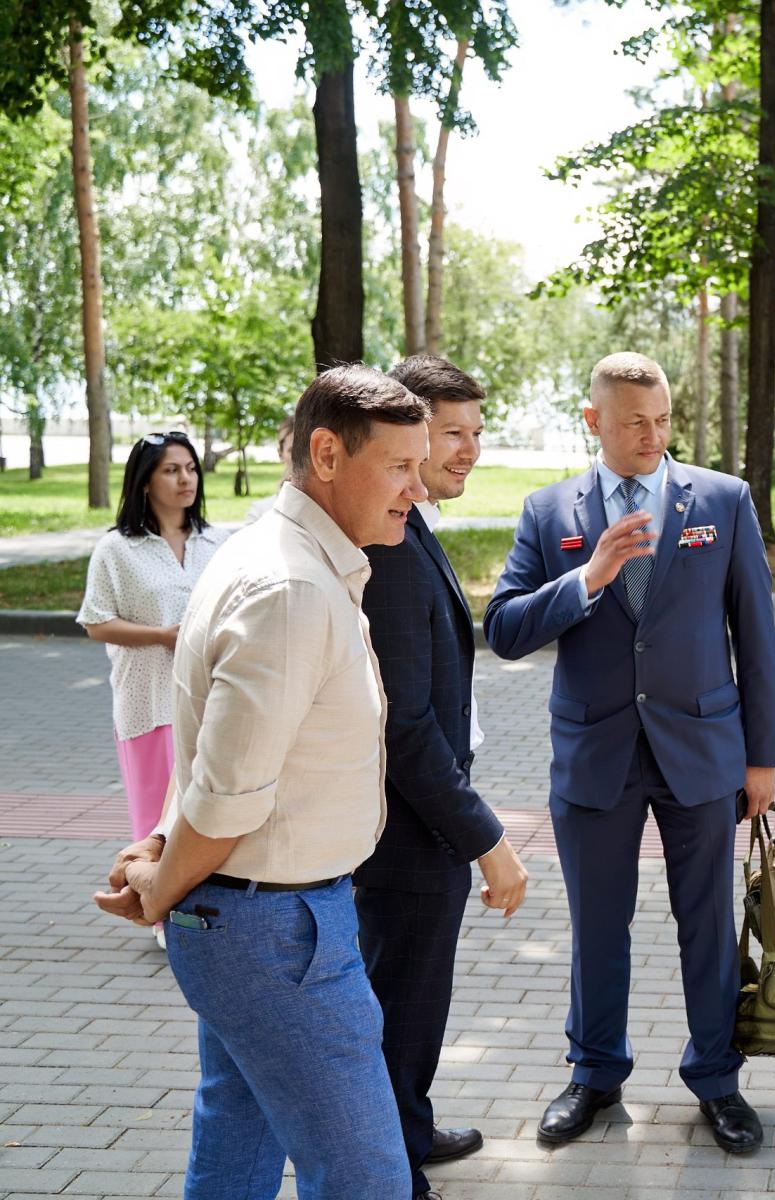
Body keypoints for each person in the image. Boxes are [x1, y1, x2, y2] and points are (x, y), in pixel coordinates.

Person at [92, 364, 430, 1199]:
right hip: (278, 934)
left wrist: (165, 854)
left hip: (264, 924)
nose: (418, 491)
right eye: (399, 467)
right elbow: (229, 794)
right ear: (325, 453)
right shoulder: (290, 588)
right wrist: (160, 885)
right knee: (368, 1180)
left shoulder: (276, 556)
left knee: (235, 1162)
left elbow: (213, 749)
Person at [484, 352, 775, 1155]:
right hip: (595, 757)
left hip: (703, 750)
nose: (651, 436)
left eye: (661, 419)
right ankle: (594, 1074)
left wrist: (764, 759)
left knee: (709, 926)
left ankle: (718, 1082)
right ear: (594, 423)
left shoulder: (722, 500)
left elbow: (755, 637)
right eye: (632, 423)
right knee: (597, 926)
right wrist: (587, 577)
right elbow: (505, 629)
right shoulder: (549, 512)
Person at [356, 356, 533, 1200]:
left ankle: (410, 1128)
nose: (468, 451)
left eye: (474, 433)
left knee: (418, 998)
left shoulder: (411, 523)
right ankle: (393, 1171)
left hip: (423, 818)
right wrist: (485, 837)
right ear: (411, 434)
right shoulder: (386, 548)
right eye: (451, 434)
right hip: (403, 831)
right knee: (398, 1002)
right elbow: (404, 725)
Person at [78, 431, 231, 944]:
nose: (185, 478)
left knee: (204, 809)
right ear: (145, 481)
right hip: (147, 701)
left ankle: (204, 909)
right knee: (156, 819)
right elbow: (96, 621)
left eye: (190, 468)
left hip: (210, 699)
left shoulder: (219, 543)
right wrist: (162, 637)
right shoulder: (117, 549)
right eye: (171, 470)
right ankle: (161, 913)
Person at [243, 417, 294, 523]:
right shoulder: (259, 512)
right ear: (280, 453)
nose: (302, 459)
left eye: (307, 451)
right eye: (293, 451)